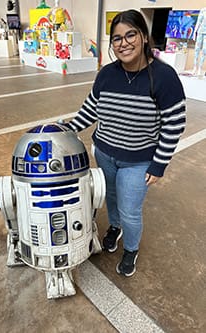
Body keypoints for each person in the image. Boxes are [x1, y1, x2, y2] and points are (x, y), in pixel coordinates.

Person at [64, 10, 186, 277]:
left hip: (138, 161)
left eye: (130, 34)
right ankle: (114, 228)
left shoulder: (164, 77)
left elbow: (174, 124)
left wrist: (159, 164)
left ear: (143, 37)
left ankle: (131, 248)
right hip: (105, 153)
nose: (123, 43)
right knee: (112, 197)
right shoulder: (107, 74)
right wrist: (67, 128)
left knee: (130, 209)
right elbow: (91, 109)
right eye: (117, 38)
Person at [192, 7, 206, 76]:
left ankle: (200, 68)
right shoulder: (203, 10)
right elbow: (198, 22)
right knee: (197, 49)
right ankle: (195, 67)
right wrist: (194, 32)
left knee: (204, 50)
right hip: (200, 32)